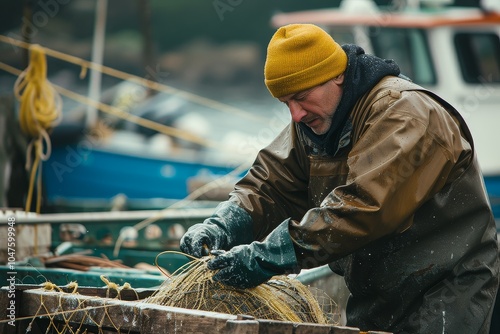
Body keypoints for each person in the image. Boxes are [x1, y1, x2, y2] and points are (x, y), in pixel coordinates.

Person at [180, 23, 499, 333]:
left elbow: (363, 208)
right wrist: (223, 224)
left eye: (301, 96)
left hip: (448, 290)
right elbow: (269, 184)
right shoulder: (315, 121)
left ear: (338, 76)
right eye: (285, 102)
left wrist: (270, 256)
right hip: (376, 295)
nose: (295, 114)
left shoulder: (406, 112)